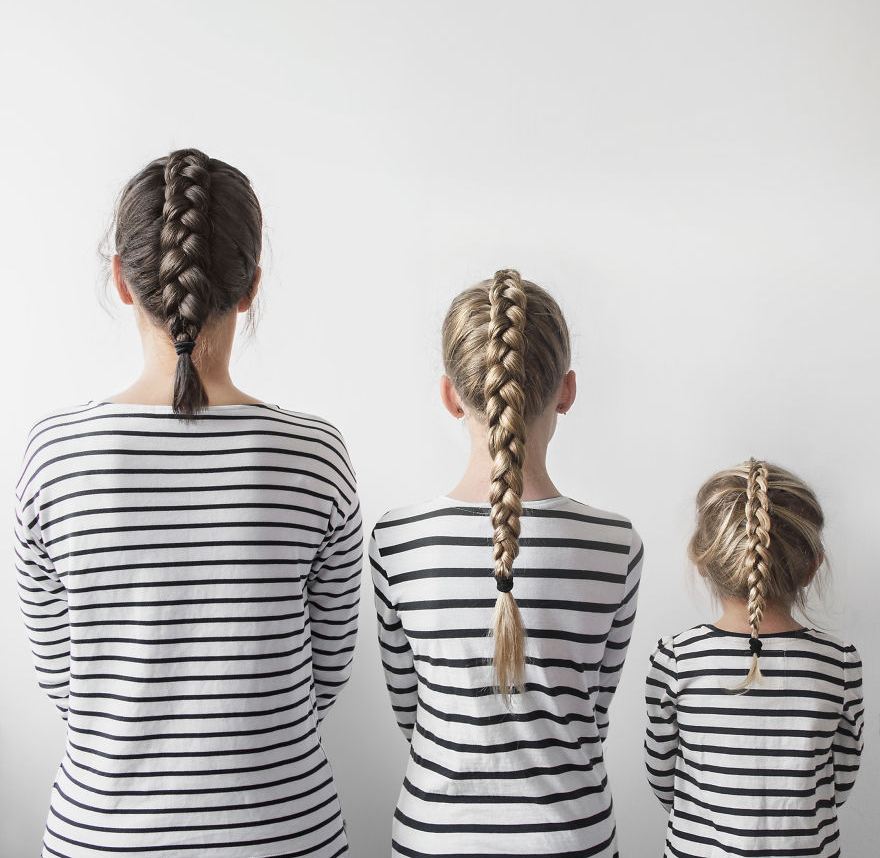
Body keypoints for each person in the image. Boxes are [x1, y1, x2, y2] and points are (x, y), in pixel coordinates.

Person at [14, 149, 362, 858]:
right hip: (282, 835)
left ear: (120, 278)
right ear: (250, 288)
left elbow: (64, 679)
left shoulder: (53, 456)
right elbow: (326, 673)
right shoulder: (316, 456)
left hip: (102, 836)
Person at [371, 269, 644, 857]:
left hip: (433, 837)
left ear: (450, 395)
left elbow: (411, 713)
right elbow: (589, 716)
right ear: (567, 390)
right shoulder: (617, 545)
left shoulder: (394, 541)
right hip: (571, 836)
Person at [645, 459, 863, 857]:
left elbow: (663, 775)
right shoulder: (840, 664)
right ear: (812, 566)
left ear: (705, 562)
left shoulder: (676, 659)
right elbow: (839, 780)